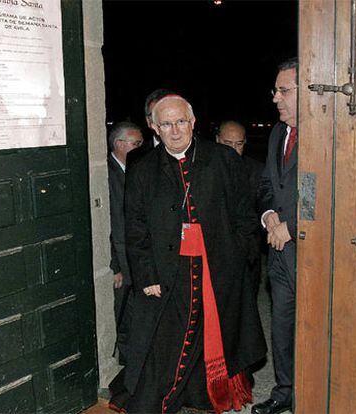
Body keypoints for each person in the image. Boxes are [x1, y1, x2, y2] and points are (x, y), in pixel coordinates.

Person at [109, 95, 266, 414]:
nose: (175, 130)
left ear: (193, 123)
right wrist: (146, 275)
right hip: (167, 272)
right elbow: (134, 228)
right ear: (154, 127)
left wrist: (237, 256)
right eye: (166, 124)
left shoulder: (223, 159)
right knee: (167, 341)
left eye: (181, 121)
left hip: (217, 268)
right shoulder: (142, 170)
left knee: (212, 335)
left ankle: (201, 396)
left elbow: (244, 215)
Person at [251, 57, 299, 414]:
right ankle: (285, 390)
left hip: (312, 250)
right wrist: (269, 216)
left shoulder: (331, 132)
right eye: (275, 90)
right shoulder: (277, 133)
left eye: (283, 90)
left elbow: (338, 194)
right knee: (281, 323)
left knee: (315, 325)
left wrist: (291, 226)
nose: (275, 98)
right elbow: (268, 183)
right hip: (279, 252)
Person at [107, 121, 143, 365]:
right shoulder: (107, 173)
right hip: (120, 259)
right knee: (119, 314)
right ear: (120, 144)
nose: (141, 148)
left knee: (132, 312)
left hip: (133, 256)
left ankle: (130, 361)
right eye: (136, 144)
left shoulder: (132, 170)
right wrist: (114, 265)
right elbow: (106, 222)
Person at [216, 120, 264, 295]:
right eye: (227, 144)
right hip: (214, 253)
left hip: (247, 254)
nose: (233, 150)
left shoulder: (258, 171)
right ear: (217, 140)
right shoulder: (204, 170)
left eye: (239, 144)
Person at [126, 88, 175, 168]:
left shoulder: (197, 151)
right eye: (156, 114)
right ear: (148, 121)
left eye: (168, 113)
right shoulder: (136, 157)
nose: (163, 119)